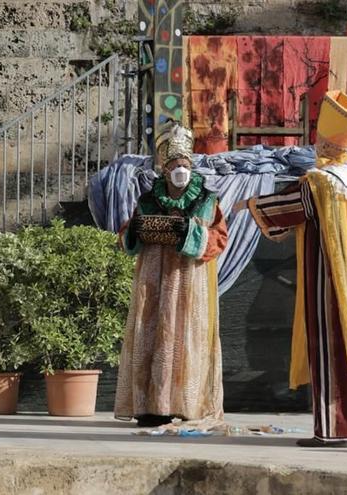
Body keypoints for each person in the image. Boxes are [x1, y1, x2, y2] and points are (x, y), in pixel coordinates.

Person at [234, 91, 347, 447]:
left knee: (334, 349)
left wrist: (250, 204)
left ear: (324, 142)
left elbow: (290, 205)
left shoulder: (322, 182)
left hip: (332, 280)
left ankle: (337, 430)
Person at [114, 121, 229, 427]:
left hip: (190, 281)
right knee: (152, 336)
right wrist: (136, 231)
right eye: (175, 164)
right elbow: (127, 236)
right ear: (164, 168)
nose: (181, 169)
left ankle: (186, 404)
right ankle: (150, 407)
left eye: (186, 163)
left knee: (187, 339)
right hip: (153, 281)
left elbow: (219, 238)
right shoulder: (148, 200)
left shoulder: (205, 199)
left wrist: (189, 232)